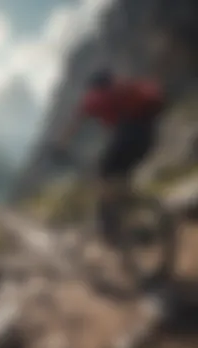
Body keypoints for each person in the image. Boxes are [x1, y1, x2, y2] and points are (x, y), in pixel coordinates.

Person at [54, 68, 166, 246]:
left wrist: (61, 144)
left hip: (127, 136)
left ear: (94, 87)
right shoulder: (128, 89)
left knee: (104, 174)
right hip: (149, 135)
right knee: (121, 177)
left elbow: (76, 122)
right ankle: (140, 212)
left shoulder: (96, 97)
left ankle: (112, 229)